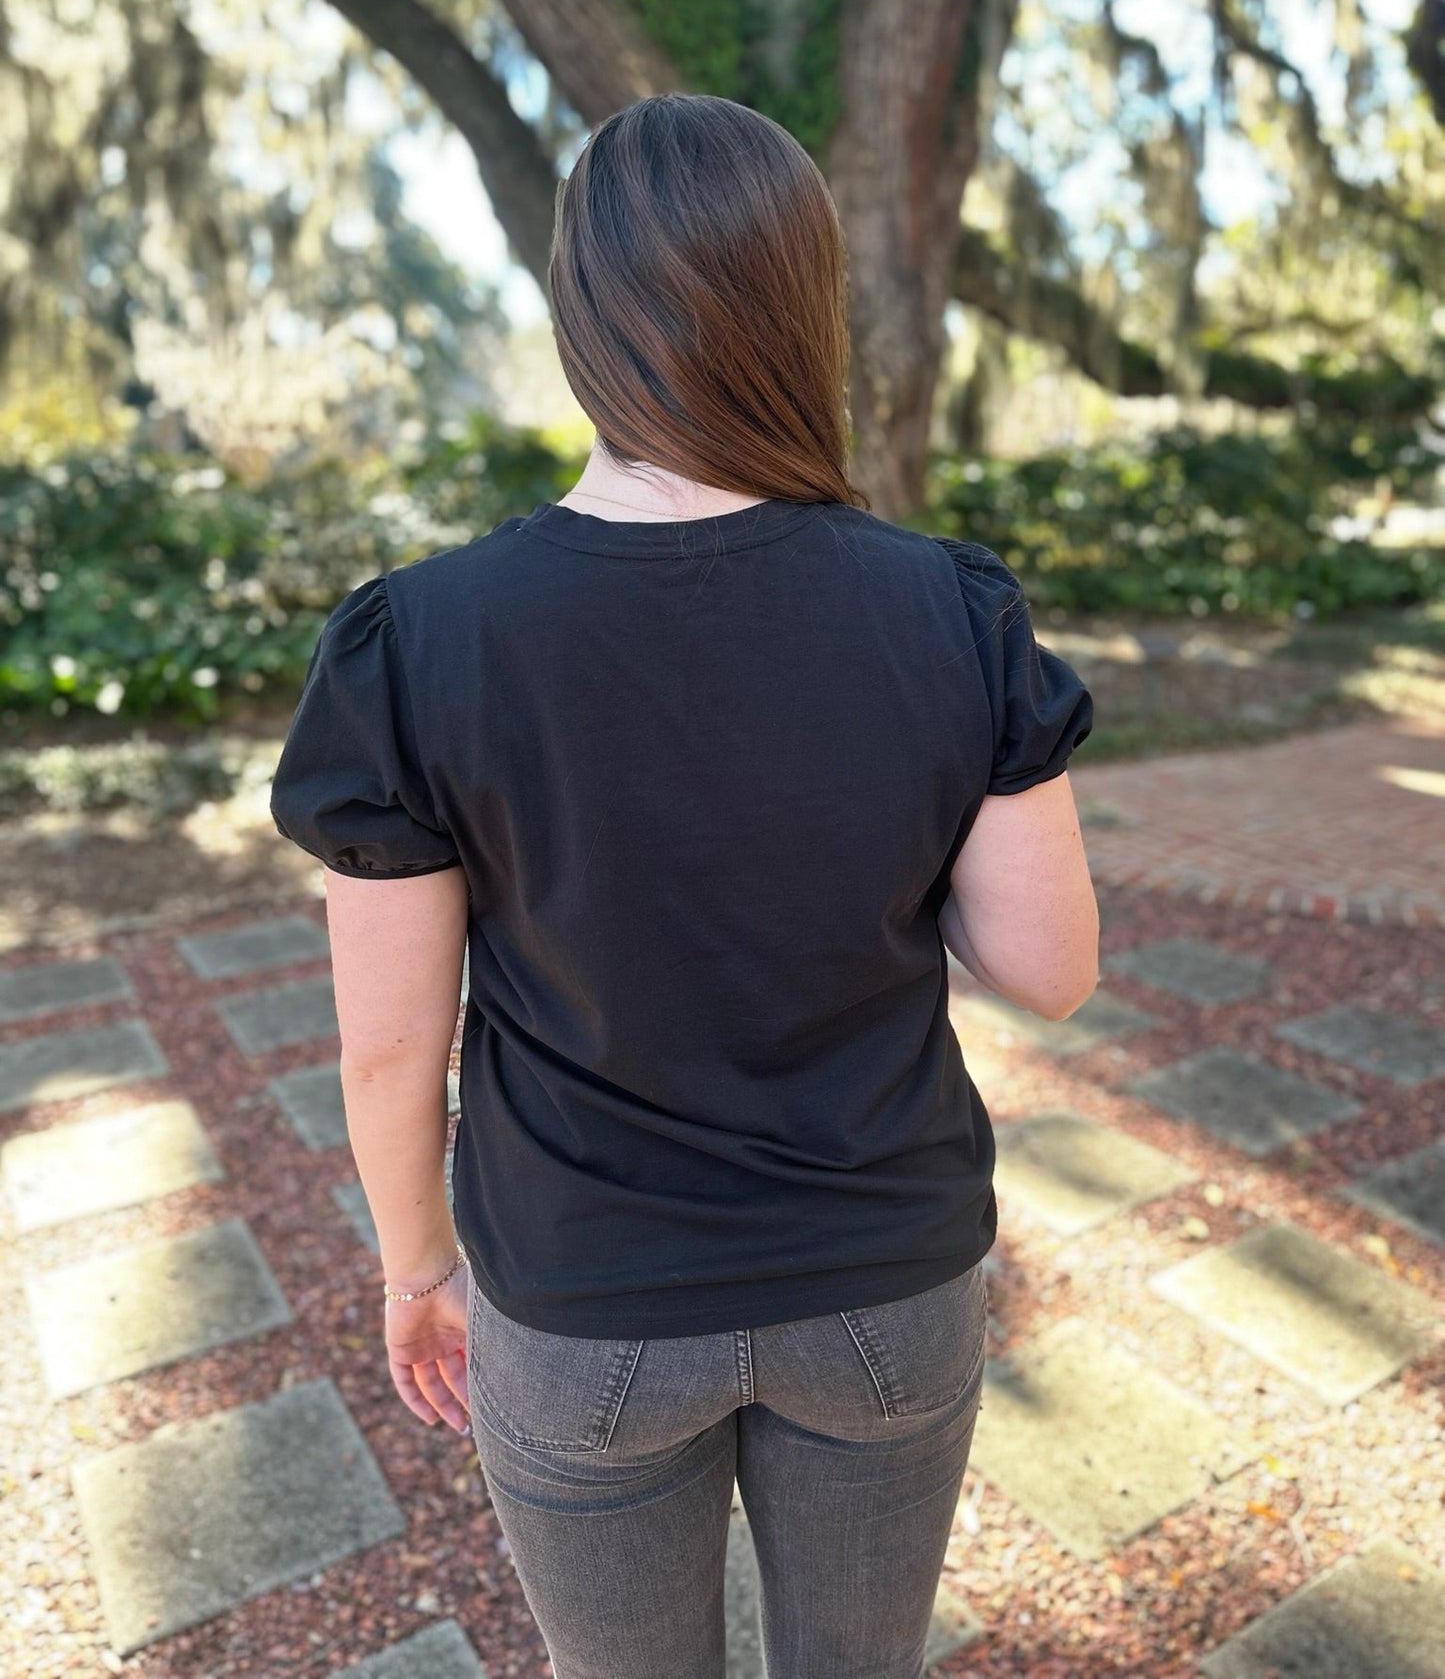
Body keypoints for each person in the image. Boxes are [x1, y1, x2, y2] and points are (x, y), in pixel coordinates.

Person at [268, 92, 1099, 1679]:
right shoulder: (950, 609)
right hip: (885, 1282)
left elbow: (388, 1046)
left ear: (581, 311)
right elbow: (1048, 966)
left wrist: (414, 1268)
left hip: (581, 1302)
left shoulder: (422, 640)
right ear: (805, 307)